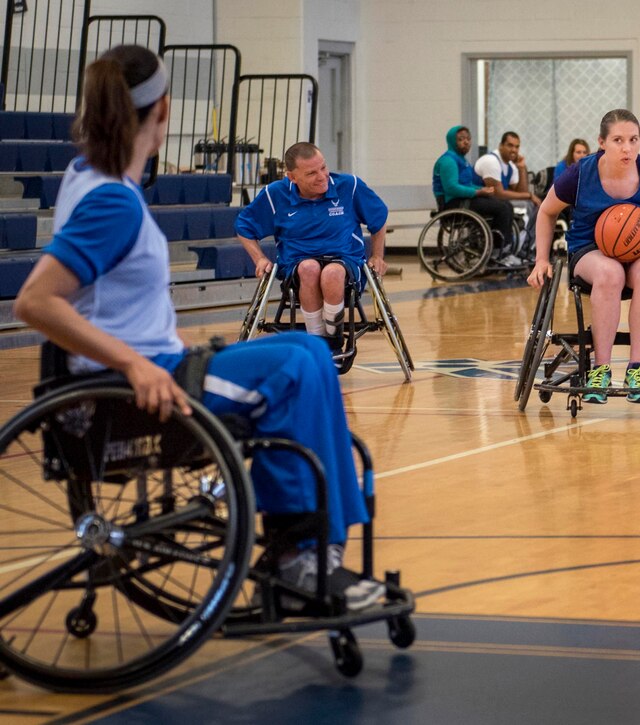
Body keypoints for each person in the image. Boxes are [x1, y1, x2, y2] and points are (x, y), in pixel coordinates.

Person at [13, 45, 385, 612]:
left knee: (308, 350)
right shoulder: (111, 200)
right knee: (296, 367)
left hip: (149, 363)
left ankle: (319, 545)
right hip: (135, 383)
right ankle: (300, 557)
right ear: (162, 110)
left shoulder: (90, 173)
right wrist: (134, 362)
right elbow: (36, 302)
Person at [528, 109, 640, 404]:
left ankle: (636, 369)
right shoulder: (579, 173)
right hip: (591, 247)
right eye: (618, 140)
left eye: (633, 139)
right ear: (601, 142)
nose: (627, 148)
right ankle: (600, 369)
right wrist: (541, 259)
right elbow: (547, 212)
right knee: (610, 273)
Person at [235, 142, 389, 341]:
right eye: (311, 173)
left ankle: (333, 340)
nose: (321, 177)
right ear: (292, 177)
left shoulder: (349, 186)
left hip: (345, 261)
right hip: (297, 265)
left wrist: (377, 255)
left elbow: (379, 217)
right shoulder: (275, 194)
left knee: (332, 272)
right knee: (309, 268)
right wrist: (259, 259)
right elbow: (244, 227)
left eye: (323, 168)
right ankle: (316, 338)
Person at [432, 125, 516, 265]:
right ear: (452, 141)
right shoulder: (448, 161)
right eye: (461, 139)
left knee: (506, 205)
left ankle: (503, 248)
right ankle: (497, 251)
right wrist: (477, 192)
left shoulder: (462, 160)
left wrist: (483, 189)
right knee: (501, 208)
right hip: (452, 203)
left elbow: (467, 184)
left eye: (468, 139)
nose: (466, 142)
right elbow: (452, 188)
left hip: (463, 200)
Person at [474, 130, 541, 265]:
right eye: (510, 145)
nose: (514, 150)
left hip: (497, 202)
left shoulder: (510, 166)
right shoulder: (491, 161)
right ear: (500, 146)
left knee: (535, 207)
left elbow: (521, 191)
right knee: (528, 206)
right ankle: (516, 249)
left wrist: (522, 168)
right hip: (481, 202)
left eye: (517, 147)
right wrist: (529, 195)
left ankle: (526, 248)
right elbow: (497, 193)